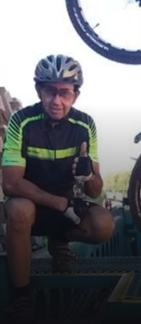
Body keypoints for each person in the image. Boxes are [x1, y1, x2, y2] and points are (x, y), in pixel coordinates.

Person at [1, 54, 115, 322]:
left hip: (66, 209)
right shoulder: (21, 121)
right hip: (33, 205)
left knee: (104, 225)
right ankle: (21, 298)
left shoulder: (86, 124)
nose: (56, 100)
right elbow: (10, 183)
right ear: (38, 90)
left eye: (64, 93)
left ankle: (59, 242)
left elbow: (95, 191)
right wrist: (61, 204)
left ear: (76, 94)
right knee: (18, 209)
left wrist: (87, 175)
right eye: (49, 91)